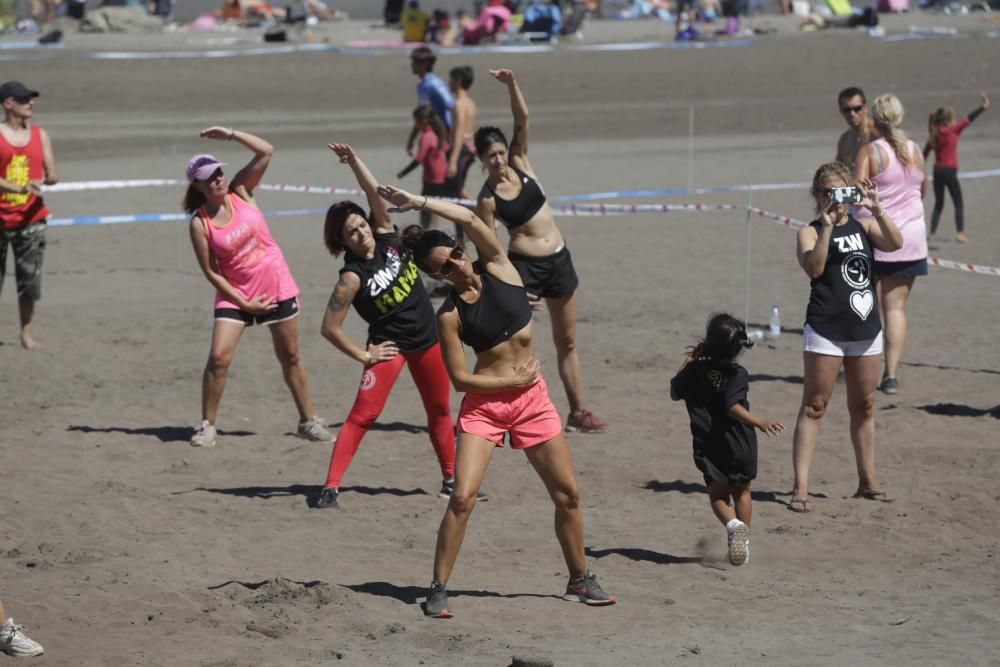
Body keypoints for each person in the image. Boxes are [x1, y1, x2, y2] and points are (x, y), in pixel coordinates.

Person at [376, 183, 615, 618]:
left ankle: (579, 578)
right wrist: (508, 380)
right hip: (485, 409)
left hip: (532, 402)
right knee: (462, 498)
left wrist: (418, 201)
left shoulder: (501, 267)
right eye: (445, 267)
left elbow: (469, 218)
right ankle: (437, 589)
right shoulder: (449, 315)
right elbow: (460, 380)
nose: (456, 264)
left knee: (568, 495)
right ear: (437, 277)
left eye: (456, 254)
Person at [316, 143, 457, 509]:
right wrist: (365, 355)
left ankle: (451, 480)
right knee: (364, 415)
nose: (360, 232)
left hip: (427, 340)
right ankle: (330, 487)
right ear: (342, 241)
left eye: (360, 225)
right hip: (389, 347)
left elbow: (372, 191)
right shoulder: (351, 277)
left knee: (440, 410)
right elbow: (329, 328)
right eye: (351, 232)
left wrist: (353, 161)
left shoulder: (386, 236)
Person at [475, 69, 606, 433]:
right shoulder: (487, 199)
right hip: (526, 269)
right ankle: (510, 411)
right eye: (490, 156)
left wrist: (511, 84)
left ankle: (577, 412)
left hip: (559, 260)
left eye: (500, 152)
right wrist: (508, 286)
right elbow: (488, 247)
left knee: (567, 341)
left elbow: (523, 119)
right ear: (481, 160)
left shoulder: (521, 162)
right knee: (517, 344)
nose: (498, 159)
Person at [184, 127, 332, 448]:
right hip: (235, 293)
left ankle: (307, 420)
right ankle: (207, 425)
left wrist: (230, 134)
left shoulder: (241, 191)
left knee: (290, 355)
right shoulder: (199, 222)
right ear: (197, 185)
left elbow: (266, 151)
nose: (218, 179)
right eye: (209, 177)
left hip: (274, 284)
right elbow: (211, 272)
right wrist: (244, 302)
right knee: (218, 358)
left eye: (219, 172)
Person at [789, 163, 903, 513]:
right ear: (817, 195)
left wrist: (877, 208)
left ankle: (868, 483)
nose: (836, 199)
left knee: (865, 406)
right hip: (826, 329)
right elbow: (815, 269)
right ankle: (800, 487)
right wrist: (826, 227)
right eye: (829, 192)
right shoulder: (808, 232)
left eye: (842, 191)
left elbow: (895, 243)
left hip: (865, 330)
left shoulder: (864, 225)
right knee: (815, 405)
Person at [670, 313, 784, 565]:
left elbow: (674, 394)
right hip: (741, 443)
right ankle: (742, 541)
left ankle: (733, 525)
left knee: (718, 497)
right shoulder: (737, 373)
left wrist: (687, 364)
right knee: (743, 492)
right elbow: (732, 405)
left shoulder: (693, 371)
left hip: (711, 445)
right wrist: (759, 422)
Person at [854, 94, 927, 396]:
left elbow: (858, 194)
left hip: (877, 235)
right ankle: (891, 374)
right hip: (911, 237)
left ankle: (866, 367)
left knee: (869, 307)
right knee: (895, 308)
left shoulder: (870, 151)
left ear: (874, 118)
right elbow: (922, 189)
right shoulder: (915, 150)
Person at [0, 80, 57, 351]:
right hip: (1, 219)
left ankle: (26, 333)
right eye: (24, 99)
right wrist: (19, 188)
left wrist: (49, 178)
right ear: (8, 104)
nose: (30, 103)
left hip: (31, 220)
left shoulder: (39, 135)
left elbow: (53, 172)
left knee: (30, 282)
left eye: (31, 99)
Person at [924, 91, 989, 244]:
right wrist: (983, 107)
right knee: (958, 202)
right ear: (948, 120)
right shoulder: (953, 131)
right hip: (949, 171)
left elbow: (923, 155)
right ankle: (960, 233)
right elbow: (968, 119)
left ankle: (932, 233)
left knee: (939, 203)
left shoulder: (933, 135)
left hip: (937, 171)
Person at [397, 105, 450, 234]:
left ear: (423, 122)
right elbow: (445, 149)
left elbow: (418, 159)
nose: (415, 125)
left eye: (416, 121)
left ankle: (428, 231)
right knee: (434, 204)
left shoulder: (426, 136)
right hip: (439, 174)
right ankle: (433, 229)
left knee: (426, 206)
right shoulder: (436, 133)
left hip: (433, 177)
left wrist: (403, 173)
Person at [405, 47, 454, 159]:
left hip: (444, 138)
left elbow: (451, 107)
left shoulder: (435, 84)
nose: (411, 65)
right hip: (432, 135)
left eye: (414, 62)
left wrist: (447, 139)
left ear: (424, 65)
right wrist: (411, 139)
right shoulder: (421, 86)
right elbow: (422, 115)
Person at [446, 65, 477, 204]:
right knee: (457, 189)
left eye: (451, 79)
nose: (448, 82)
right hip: (469, 148)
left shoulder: (459, 104)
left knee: (459, 190)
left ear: (458, 81)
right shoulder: (471, 103)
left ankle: (486, 212)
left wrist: (453, 160)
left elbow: (459, 131)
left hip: (462, 149)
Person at [835, 87, 874, 170]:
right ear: (841, 111)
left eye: (857, 109)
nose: (852, 113)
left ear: (866, 108)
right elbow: (838, 171)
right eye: (847, 110)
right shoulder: (844, 140)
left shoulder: (878, 134)